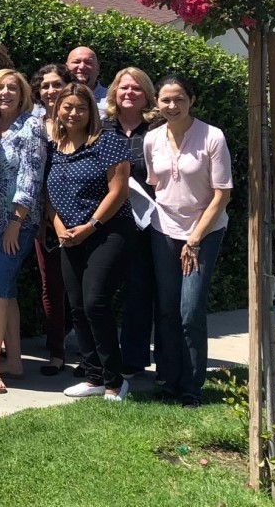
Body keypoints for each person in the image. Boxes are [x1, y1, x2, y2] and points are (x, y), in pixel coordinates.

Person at [145, 75, 232, 408]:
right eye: (165, 100)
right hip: (163, 230)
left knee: (190, 310)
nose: (172, 106)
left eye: (179, 99)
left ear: (191, 100)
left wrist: (194, 238)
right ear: (157, 102)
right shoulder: (152, 139)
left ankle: (192, 386)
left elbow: (222, 194)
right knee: (166, 310)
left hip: (204, 233)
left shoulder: (212, 136)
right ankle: (167, 380)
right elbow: (158, 186)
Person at [46, 83, 133, 401]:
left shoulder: (108, 142)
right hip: (69, 236)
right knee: (78, 307)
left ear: (90, 111)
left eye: (80, 107)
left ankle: (115, 381)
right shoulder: (55, 146)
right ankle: (93, 376)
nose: (72, 113)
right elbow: (48, 193)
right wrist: (57, 226)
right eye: (66, 107)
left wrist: (91, 225)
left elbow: (119, 190)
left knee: (96, 302)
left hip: (108, 232)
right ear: (58, 110)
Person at [0, 69, 46, 393]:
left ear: (22, 94)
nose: (5, 93)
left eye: (12, 88)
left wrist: (15, 224)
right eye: (0, 88)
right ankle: (15, 360)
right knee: (6, 291)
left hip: (16, 223)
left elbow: (31, 177)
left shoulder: (31, 126)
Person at [103, 67, 160, 378]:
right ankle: (104, 356)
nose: (128, 93)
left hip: (147, 223)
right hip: (109, 220)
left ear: (147, 95)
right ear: (114, 92)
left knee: (139, 291)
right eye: (123, 88)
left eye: (136, 89)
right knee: (102, 291)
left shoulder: (158, 128)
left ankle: (134, 359)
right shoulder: (102, 127)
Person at [29, 63, 74, 376]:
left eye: (56, 84)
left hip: (75, 215)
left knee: (80, 286)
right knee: (50, 286)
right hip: (40, 217)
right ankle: (56, 351)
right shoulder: (31, 121)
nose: (50, 91)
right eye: (44, 86)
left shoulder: (76, 119)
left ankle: (86, 350)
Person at [66, 46, 108, 117]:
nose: (82, 67)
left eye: (88, 62)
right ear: (66, 67)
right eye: (76, 62)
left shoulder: (111, 100)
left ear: (97, 69)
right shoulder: (55, 97)